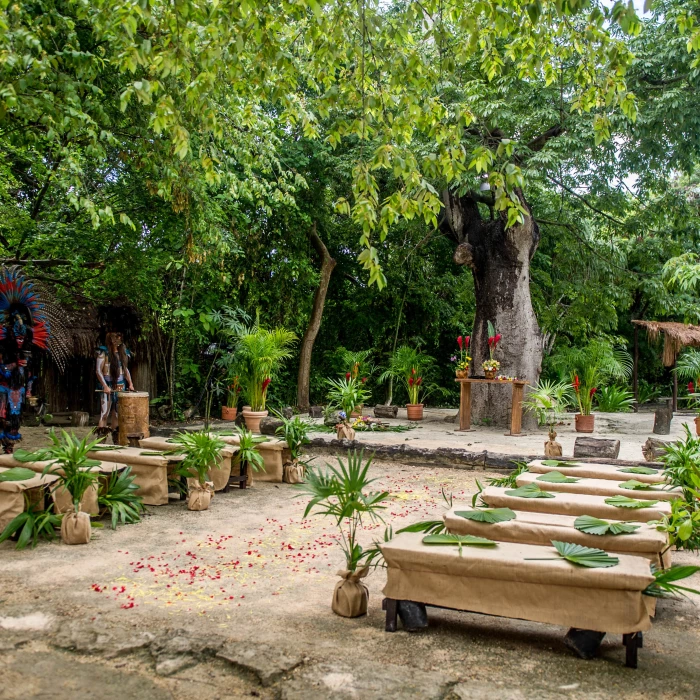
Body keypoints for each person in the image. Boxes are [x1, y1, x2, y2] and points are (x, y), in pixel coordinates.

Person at [96, 332, 134, 443]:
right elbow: (98, 371)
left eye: (119, 337)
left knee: (116, 414)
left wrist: (130, 383)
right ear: (111, 340)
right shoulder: (103, 353)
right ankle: (101, 441)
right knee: (104, 413)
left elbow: (125, 370)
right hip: (107, 385)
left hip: (120, 386)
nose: (118, 340)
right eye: (116, 338)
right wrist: (104, 385)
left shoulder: (123, 353)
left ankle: (116, 439)